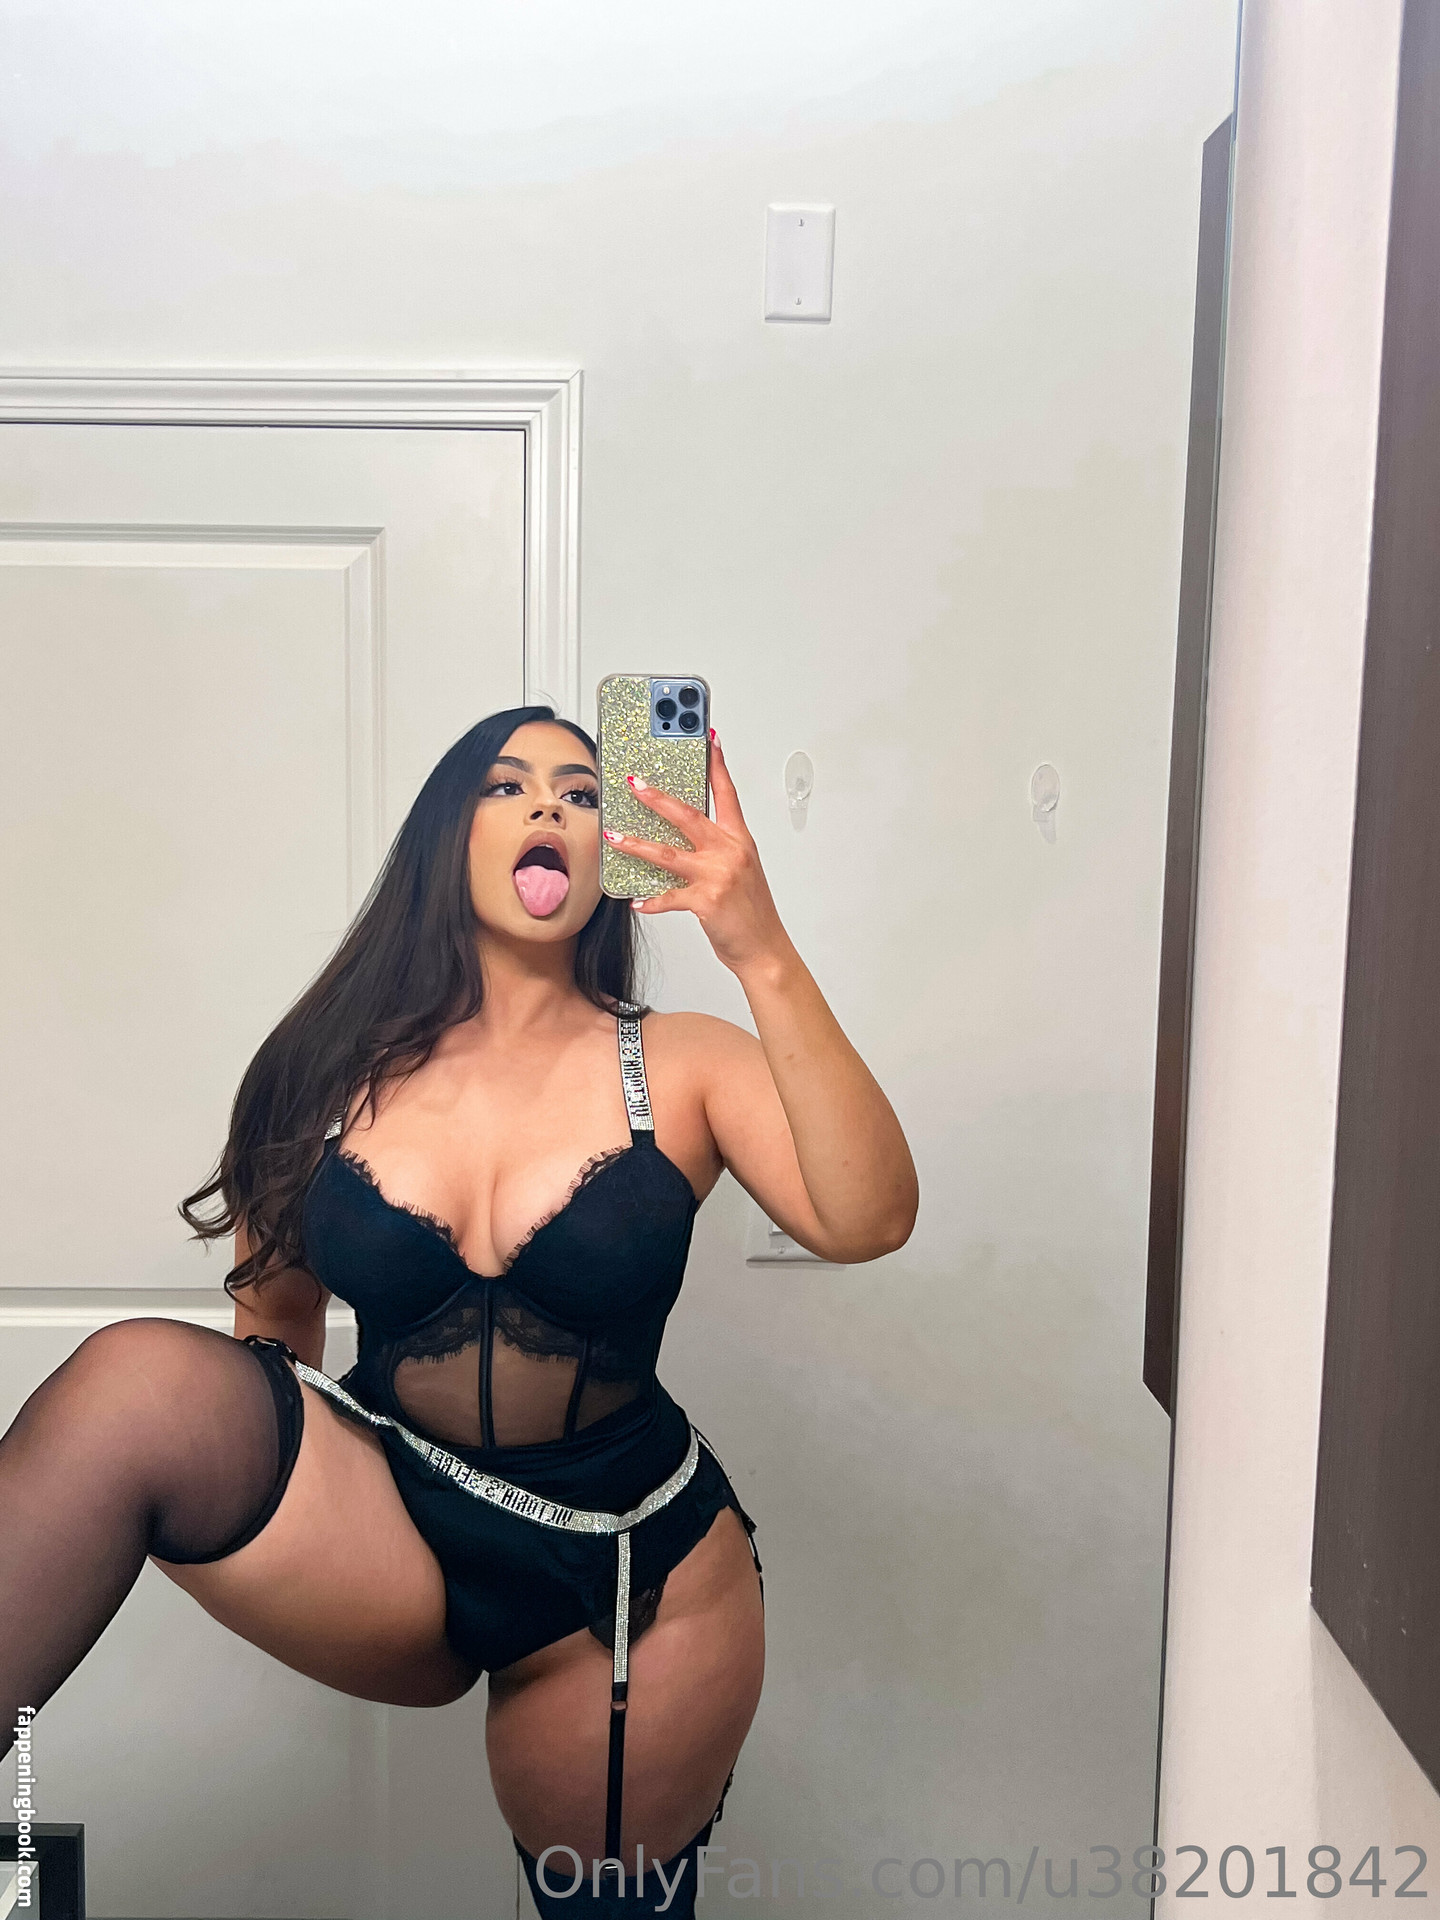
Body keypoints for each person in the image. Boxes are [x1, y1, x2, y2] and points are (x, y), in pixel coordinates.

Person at [0, 704, 917, 1915]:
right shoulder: (325, 1072)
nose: (549, 806)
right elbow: (273, 1330)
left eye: (582, 794)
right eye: (507, 784)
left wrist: (761, 949)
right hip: (401, 1519)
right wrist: (287, 1510)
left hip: (628, 1573)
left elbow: (866, 1219)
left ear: (609, 849)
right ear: (448, 837)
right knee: (134, 1388)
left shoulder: (684, 1063)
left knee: (606, 1903)